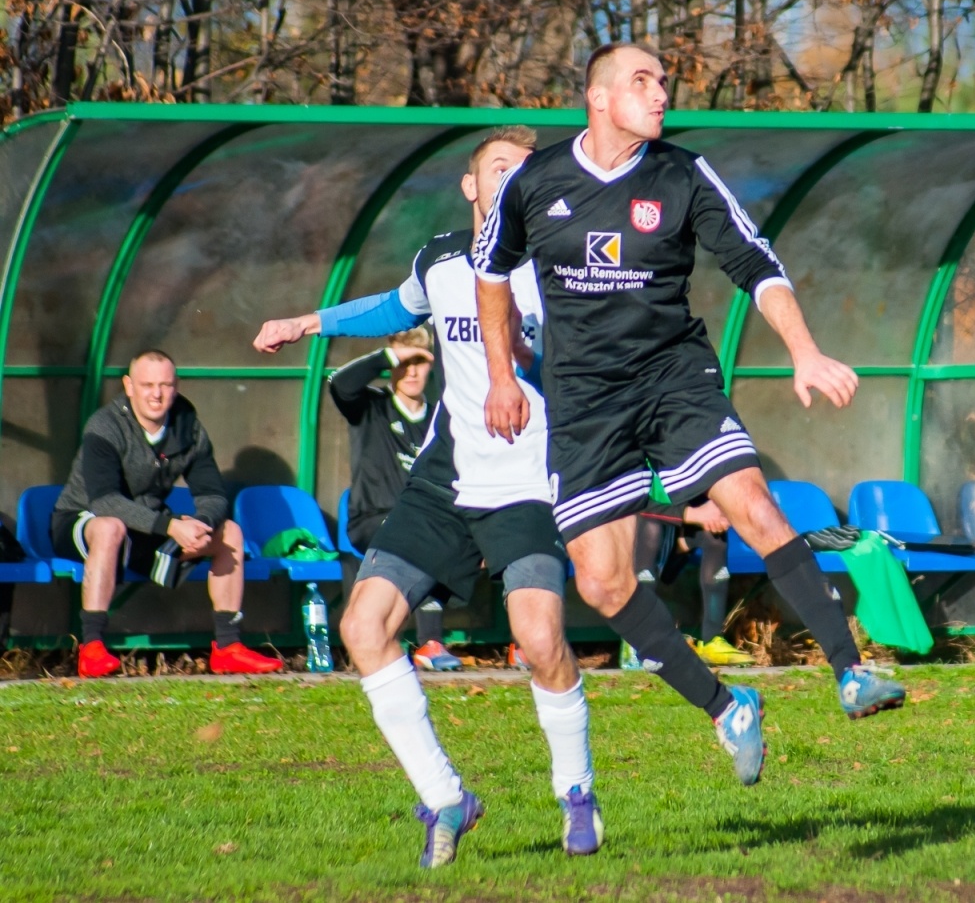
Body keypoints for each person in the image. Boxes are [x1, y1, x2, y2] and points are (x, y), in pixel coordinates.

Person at [473, 42, 905, 789]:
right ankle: (726, 708)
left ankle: (849, 670)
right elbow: (490, 273)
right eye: (643, 81)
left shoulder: (681, 173)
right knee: (602, 584)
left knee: (752, 504)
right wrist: (502, 378)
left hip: (674, 376)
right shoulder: (536, 182)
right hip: (583, 401)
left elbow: (757, 265)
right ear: (599, 98)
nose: (661, 93)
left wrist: (804, 350)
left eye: (665, 81)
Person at [252, 127, 602, 864]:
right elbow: (394, 307)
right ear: (471, 188)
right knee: (363, 627)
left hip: (527, 481)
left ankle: (576, 793)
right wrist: (307, 323)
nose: (510, 179)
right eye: (496, 169)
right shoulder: (442, 260)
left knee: (540, 642)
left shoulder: (560, 266)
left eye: (524, 171)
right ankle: (446, 797)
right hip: (446, 478)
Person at [51, 350, 284, 678]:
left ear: (176, 387)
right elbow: (105, 502)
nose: (156, 394)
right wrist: (170, 525)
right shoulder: (105, 425)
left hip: (146, 528)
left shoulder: (190, 430)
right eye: (147, 385)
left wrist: (201, 524)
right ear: (129, 386)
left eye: (165, 385)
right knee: (109, 527)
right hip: (80, 520)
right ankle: (91, 648)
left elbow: (213, 494)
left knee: (229, 532)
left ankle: (228, 647)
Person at [329, 329, 461, 671]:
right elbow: (340, 384)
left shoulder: (440, 418)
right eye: (405, 362)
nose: (412, 371)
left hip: (422, 519)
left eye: (420, 361)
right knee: (420, 535)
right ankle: (429, 643)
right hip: (370, 519)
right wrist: (390, 355)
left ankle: (524, 645)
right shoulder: (371, 407)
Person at [631, 494, 753, 666]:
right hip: (631, 526)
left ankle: (712, 641)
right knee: (650, 527)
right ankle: (637, 644)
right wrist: (693, 514)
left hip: (676, 519)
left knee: (715, 537)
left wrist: (714, 509)